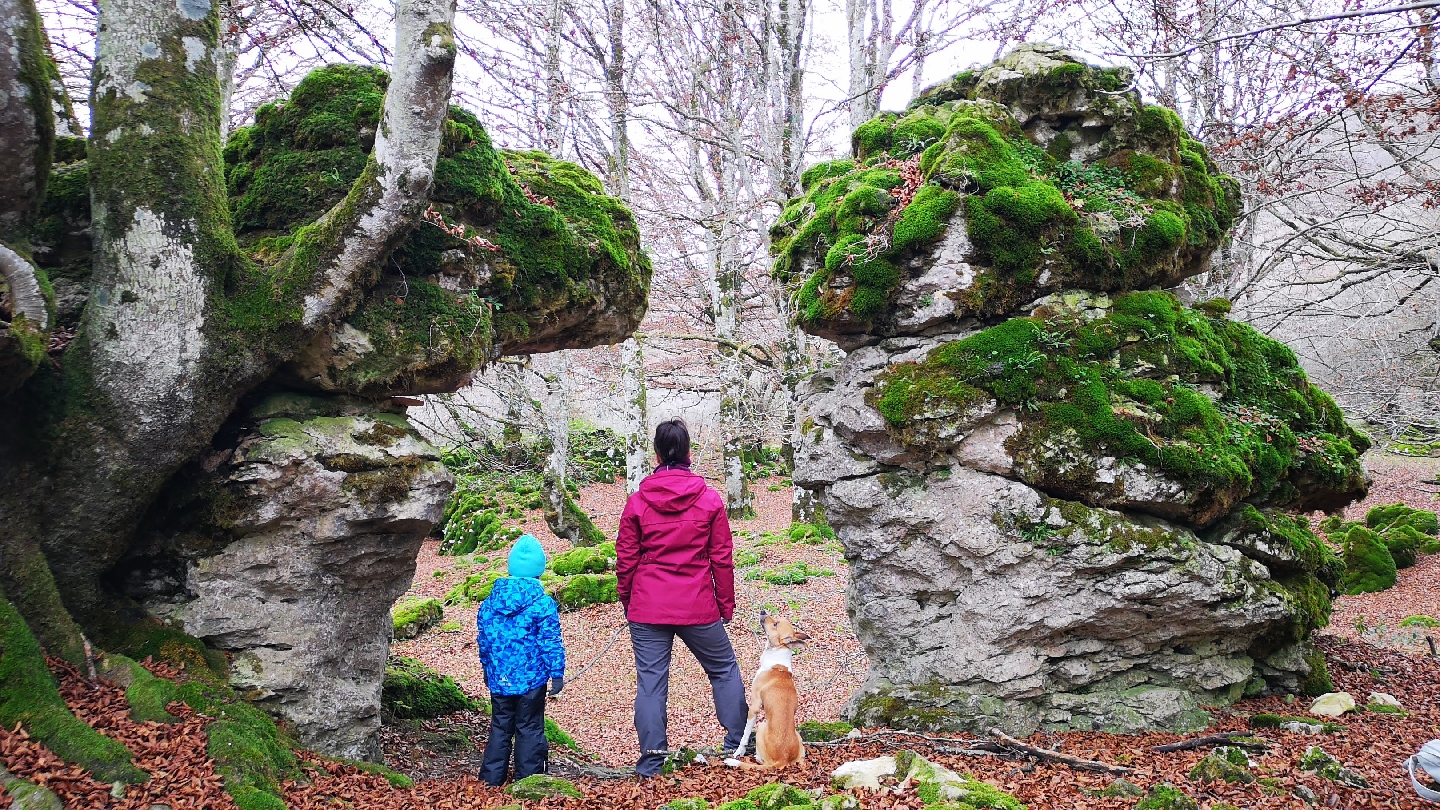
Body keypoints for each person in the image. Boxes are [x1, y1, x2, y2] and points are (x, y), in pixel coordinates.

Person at [616, 418, 746, 777]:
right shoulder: (708, 500)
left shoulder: (638, 502)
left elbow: (625, 559)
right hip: (697, 603)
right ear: (689, 453)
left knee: (651, 681)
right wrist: (726, 604)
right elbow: (721, 557)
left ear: (656, 454)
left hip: (648, 604)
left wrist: (629, 600)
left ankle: (652, 760)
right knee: (722, 669)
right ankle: (738, 741)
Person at [475, 534, 566, 785]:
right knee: (529, 727)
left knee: (500, 726)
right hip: (532, 680)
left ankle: (490, 781)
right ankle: (530, 781)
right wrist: (556, 673)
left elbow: (484, 641)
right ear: (539, 570)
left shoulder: (489, 604)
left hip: (499, 678)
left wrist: (487, 669)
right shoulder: (543, 604)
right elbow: (550, 641)